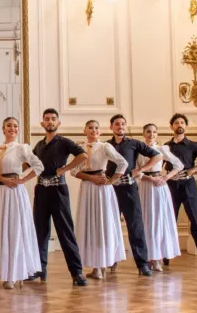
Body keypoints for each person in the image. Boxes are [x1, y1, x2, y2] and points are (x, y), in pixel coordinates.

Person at [28, 108, 88, 286]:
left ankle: (77, 273)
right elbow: (29, 163)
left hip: (58, 190)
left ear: (58, 123)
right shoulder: (38, 145)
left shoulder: (64, 142)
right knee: (40, 231)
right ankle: (39, 270)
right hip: (41, 190)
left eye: (53, 119)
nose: (50, 122)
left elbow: (83, 156)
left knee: (65, 231)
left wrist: (64, 169)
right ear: (42, 123)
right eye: (47, 119)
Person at [0, 117, 44, 289]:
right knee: (4, 229)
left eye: (15, 126)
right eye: (8, 126)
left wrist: (22, 180)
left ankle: (17, 272)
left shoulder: (22, 148)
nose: (12, 128)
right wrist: (2, 178)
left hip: (16, 193)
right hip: (2, 192)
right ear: (3, 129)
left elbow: (38, 166)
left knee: (16, 228)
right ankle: (6, 273)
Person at [106, 114, 161, 276]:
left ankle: (142, 264)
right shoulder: (105, 145)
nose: (120, 126)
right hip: (111, 189)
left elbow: (157, 156)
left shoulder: (134, 143)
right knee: (110, 225)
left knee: (135, 225)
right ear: (111, 127)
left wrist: (141, 170)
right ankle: (111, 260)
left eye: (123, 124)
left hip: (129, 188)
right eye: (117, 124)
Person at [71, 120, 127, 280]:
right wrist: (90, 178)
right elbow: (74, 171)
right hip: (88, 188)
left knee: (103, 223)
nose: (93, 130)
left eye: (96, 128)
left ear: (100, 132)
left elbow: (123, 162)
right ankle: (96, 267)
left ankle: (103, 265)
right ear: (85, 130)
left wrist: (112, 180)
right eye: (90, 128)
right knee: (91, 224)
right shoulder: (79, 148)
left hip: (102, 189)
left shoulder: (105, 147)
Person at [165, 113, 197, 270]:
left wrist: (194, 169)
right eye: (176, 122)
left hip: (188, 186)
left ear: (185, 126)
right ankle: (165, 257)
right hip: (171, 187)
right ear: (171, 126)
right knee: (168, 221)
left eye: (182, 122)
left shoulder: (192, 145)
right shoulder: (166, 146)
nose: (179, 124)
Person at [137, 123, 183, 272]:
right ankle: (148, 257)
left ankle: (157, 259)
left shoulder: (162, 149)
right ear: (144, 134)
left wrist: (166, 177)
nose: (151, 134)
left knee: (158, 221)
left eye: (154, 132)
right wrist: (150, 179)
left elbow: (178, 165)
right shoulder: (139, 151)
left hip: (159, 188)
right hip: (145, 186)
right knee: (146, 221)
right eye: (148, 132)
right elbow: (136, 172)